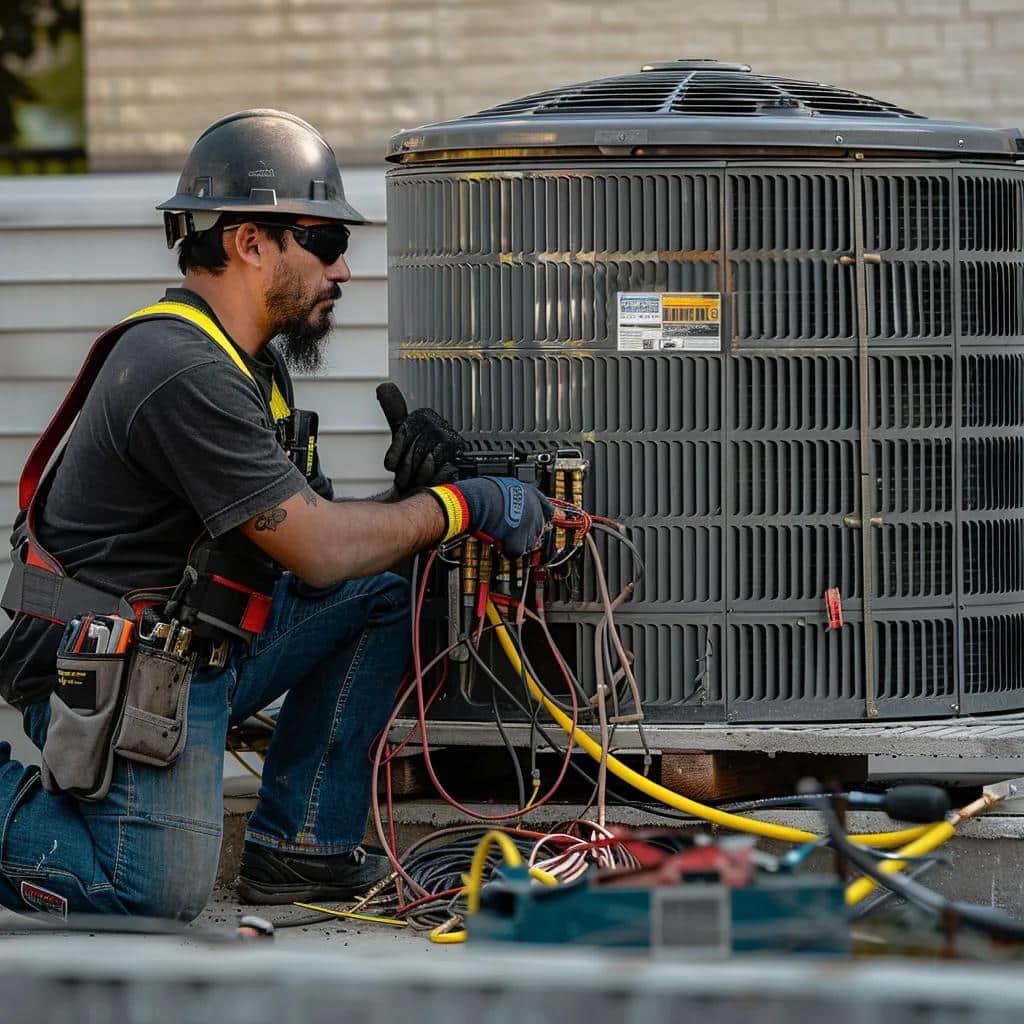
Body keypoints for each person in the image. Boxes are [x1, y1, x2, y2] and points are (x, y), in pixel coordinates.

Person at [0, 109, 551, 920]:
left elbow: (312, 550)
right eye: (326, 244)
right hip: (113, 667)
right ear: (250, 242)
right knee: (148, 894)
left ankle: (302, 850)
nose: (344, 271)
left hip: (196, 646)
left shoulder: (249, 367)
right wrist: (461, 505)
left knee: (388, 580)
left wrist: (408, 505)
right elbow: (321, 550)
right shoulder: (180, 367)